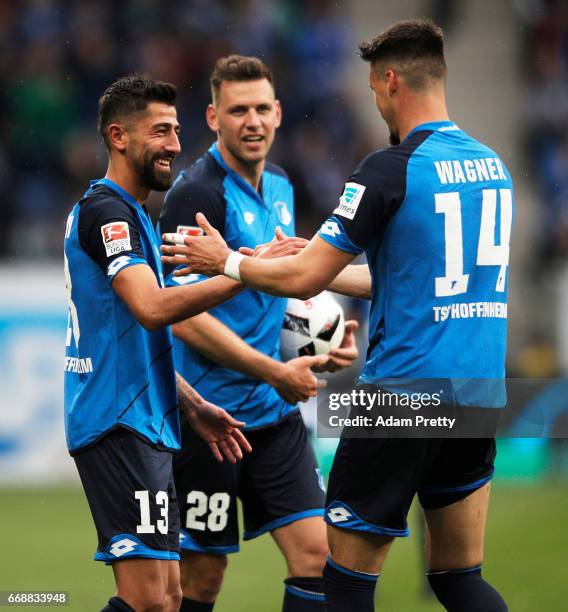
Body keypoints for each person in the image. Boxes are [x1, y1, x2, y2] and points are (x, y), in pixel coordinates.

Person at [161, 21, 512, 612]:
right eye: (238, 109)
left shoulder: (385, 168)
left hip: (399, 392)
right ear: (214, 117)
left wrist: (229, 263)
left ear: (390, 80)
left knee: (342, 581)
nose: (375, 102)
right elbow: (398, 278)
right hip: (476, 392)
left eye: (375, 88)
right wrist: (311, 326)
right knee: (458, 577)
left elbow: (302, 279)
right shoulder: (491, 166)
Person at [158, 55, 359, 612]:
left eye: (261, 109)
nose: (252, 121)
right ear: (213, 117)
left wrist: (320, 343)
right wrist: (274, 369)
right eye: (238, 110)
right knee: (201, 579)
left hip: (272, 416)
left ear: (279, 113)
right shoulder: (195, 194)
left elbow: (279, 287)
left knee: (318, 556)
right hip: (209, 420)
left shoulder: (280, 184)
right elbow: (179, 312)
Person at [64, 73, 261, 612]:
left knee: (171, 596)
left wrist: (192, 404)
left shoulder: (136, 216)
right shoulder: (107, 213)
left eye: (176, 130)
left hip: (148, 422)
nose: (176, 144)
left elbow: (129, 341)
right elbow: (150, 308)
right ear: (119, 136)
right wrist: (244, 271)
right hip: (116, 423)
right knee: (150, 600)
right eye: (160, 131)